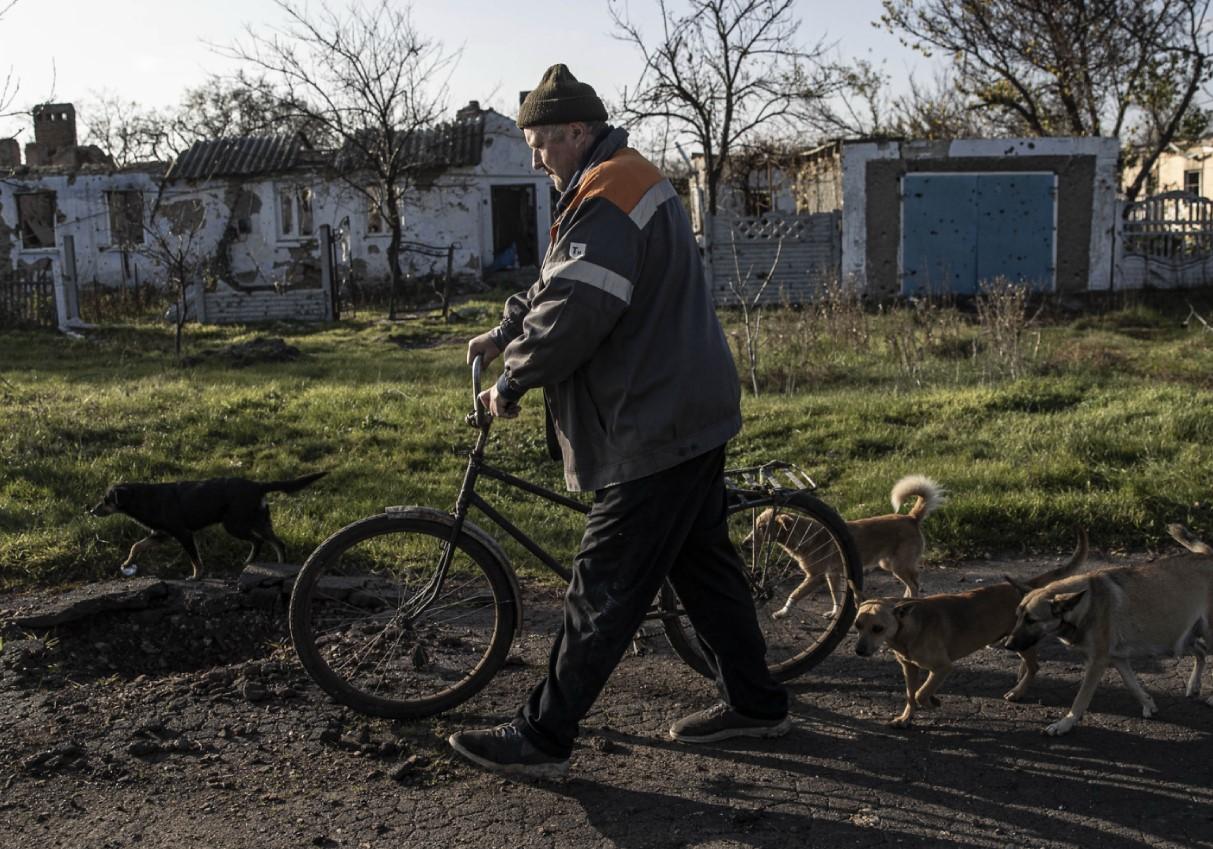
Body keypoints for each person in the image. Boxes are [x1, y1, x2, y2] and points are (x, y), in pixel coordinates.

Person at [450, 64, 789, 781]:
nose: (536, 157)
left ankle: (544, 733)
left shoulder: (605, 193)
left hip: (654, 421)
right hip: (689, 406)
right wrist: (508, 327)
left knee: (602, 583)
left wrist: (512, 379)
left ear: (576, 131)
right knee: (705, 569)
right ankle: (757, 703)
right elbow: (560, 280)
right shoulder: (615, 179)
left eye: (542, 143)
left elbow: (576, 310)